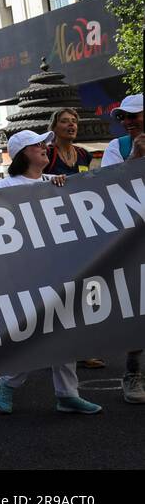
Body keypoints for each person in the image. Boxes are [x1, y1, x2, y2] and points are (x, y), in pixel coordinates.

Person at [0, 130, 104, 415]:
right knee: (33, 333)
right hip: (24, 273)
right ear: (22, 153)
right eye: (37, 145)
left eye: (43, 144)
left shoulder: (53, 182)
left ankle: (67, 393)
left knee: (64, 331)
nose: (44, 147)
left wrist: (63, 188)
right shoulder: (4, 186)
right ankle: (9, 382)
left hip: (56, 269)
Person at [96, 95, 145, 402]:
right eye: (123, 117)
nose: (127, 122)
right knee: (139, 304)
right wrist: (135, 159)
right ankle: (133, 373)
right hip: (134, 237)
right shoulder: (119, 148)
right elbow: (108, 187)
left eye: (134, 116)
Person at [44, 108, 92, 176]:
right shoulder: (47, 153)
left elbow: (87, 179)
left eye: (74, 121)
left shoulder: (84, 154)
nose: (71, 124)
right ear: (54, 128)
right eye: (64, 121)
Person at [101, 93, 144, 167]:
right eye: (121, 117)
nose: (126, 122)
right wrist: (135, 156)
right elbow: (109, 177)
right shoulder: (116, 147)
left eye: (132, 116)